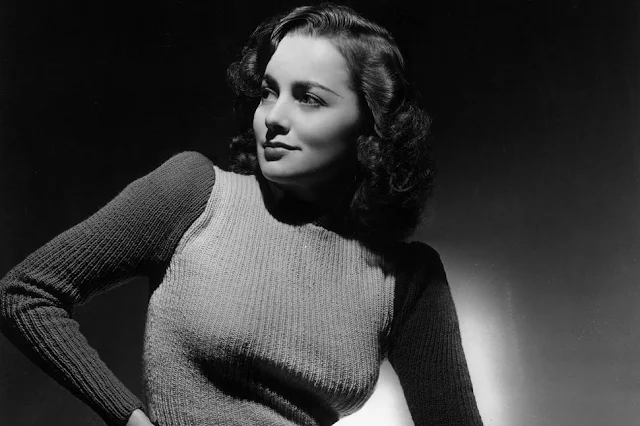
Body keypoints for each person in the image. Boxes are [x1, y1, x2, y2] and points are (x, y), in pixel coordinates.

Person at [0, 3, 484, 425]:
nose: (273, 116)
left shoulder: (408, 278)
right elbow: (24, 294)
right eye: (269, 91)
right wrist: (127, 417)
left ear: (370, 125)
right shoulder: (193, 194)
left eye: (309, 98)